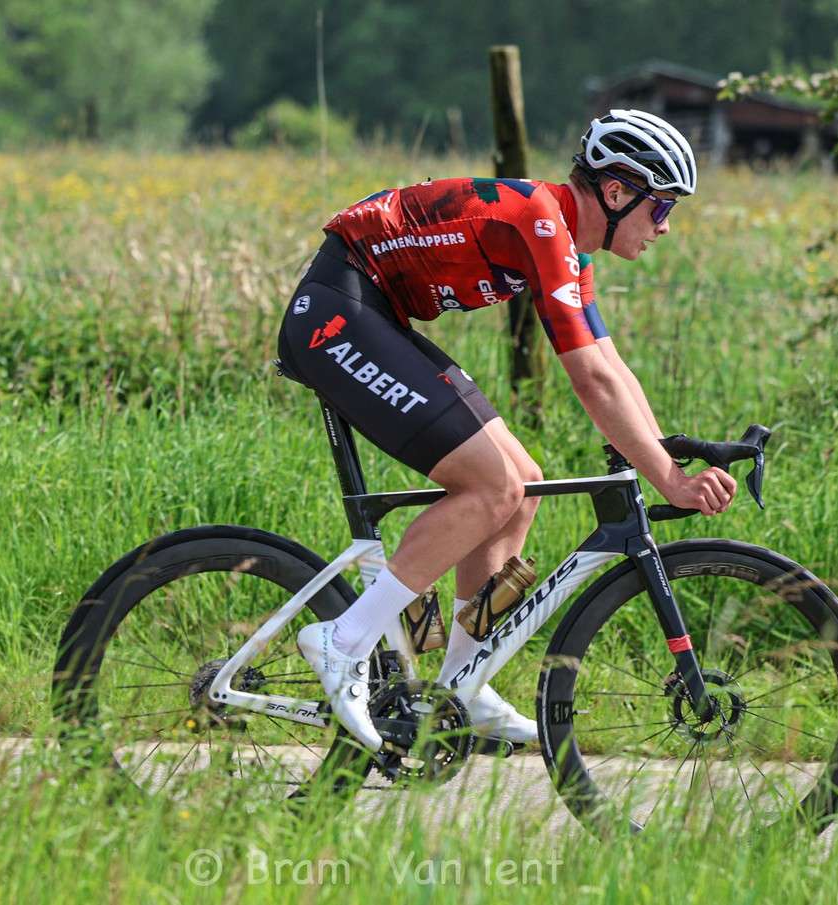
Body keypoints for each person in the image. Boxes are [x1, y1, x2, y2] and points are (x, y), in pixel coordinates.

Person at [278, 109, 738, 752]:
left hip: (372, 311)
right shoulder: (543, 223)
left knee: (522, 486)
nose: (664, 226)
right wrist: (669, 480)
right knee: (491, 486)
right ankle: (343, 639)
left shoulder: (567, 244)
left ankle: (461, 683)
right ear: (615, 192)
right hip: (337, 312)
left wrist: (665, 457)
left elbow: (611, 366)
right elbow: (590, 381)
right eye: (660, 207)